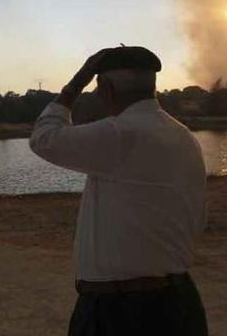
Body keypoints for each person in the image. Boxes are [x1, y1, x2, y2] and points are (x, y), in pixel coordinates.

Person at [30, 46, 208, 336]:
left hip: (121, 311)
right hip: (180, 302)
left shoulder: (119, 134)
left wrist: (77, 82)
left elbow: (44, 137)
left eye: (98, 88)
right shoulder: (185, 138)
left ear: (106, 88)